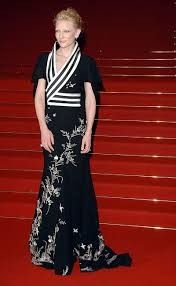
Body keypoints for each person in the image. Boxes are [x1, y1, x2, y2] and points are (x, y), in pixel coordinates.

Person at [29, 7, 132, 276]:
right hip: (52, 133)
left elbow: (90, 100)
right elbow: (40, 97)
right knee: (53, 188)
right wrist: (42, 128)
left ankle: (80, 246)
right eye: (57, 31)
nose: (61, 36)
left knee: (76, 188)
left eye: (66, 31)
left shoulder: (86, 63)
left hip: (75, 136)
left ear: (77, 33)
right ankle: (52, 249)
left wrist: (88, 133)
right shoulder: (44, 59)